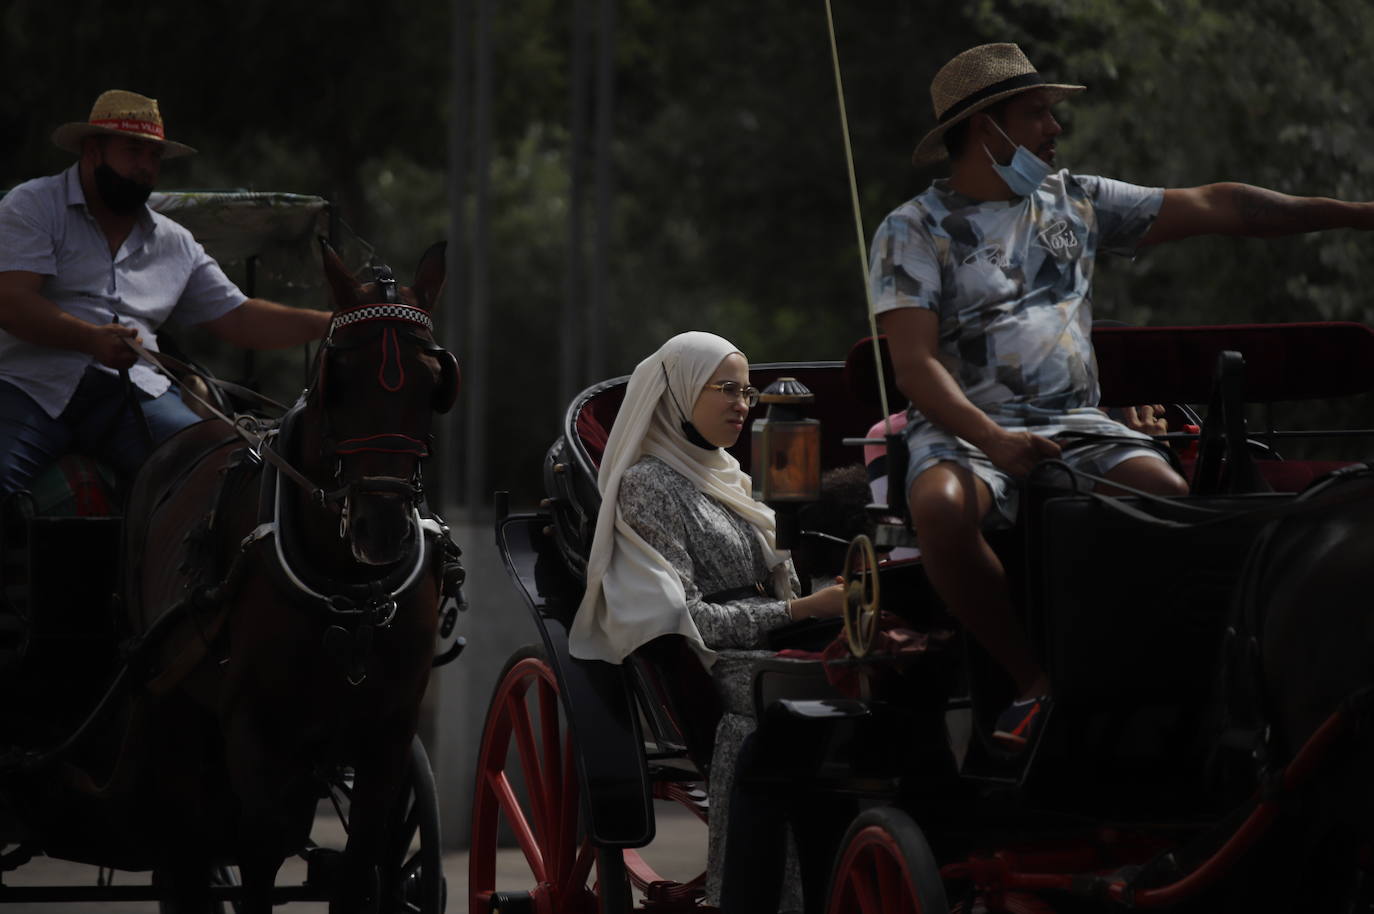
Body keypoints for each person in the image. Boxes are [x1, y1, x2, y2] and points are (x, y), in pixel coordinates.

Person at [870, 42, 1374, 751]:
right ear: (989, 129)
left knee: (1164, 496)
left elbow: (1220, 205)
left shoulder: (1075, 201)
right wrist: (994, 441)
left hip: (1078, 423)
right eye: (1038, 113)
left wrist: (1356, 214)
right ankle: (1030, 681)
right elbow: (916, 367)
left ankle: (1166, 690)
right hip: (963, 431)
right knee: (941, 511)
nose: (1055, 128)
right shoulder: (910, 230)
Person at [569, 330, 846, 908]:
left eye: (747, 392)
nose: (742, 405)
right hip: (720, 666)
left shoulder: (730, 477)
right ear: (679, 394)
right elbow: (688, 619)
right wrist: (802, 609)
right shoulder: (646, 485)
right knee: (793, 694)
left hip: (780, 642)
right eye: (726, 390)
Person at [0, 89, 332, 496]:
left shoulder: (174, 241)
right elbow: (12, 303)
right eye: (133, 151)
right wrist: (89, 339)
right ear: (92, 151)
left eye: (154, 157)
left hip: (131, 395)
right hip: (29, 386)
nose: (145, 167)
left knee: (219, 475)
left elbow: (240, 317)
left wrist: (336, 321)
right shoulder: (32, 206)